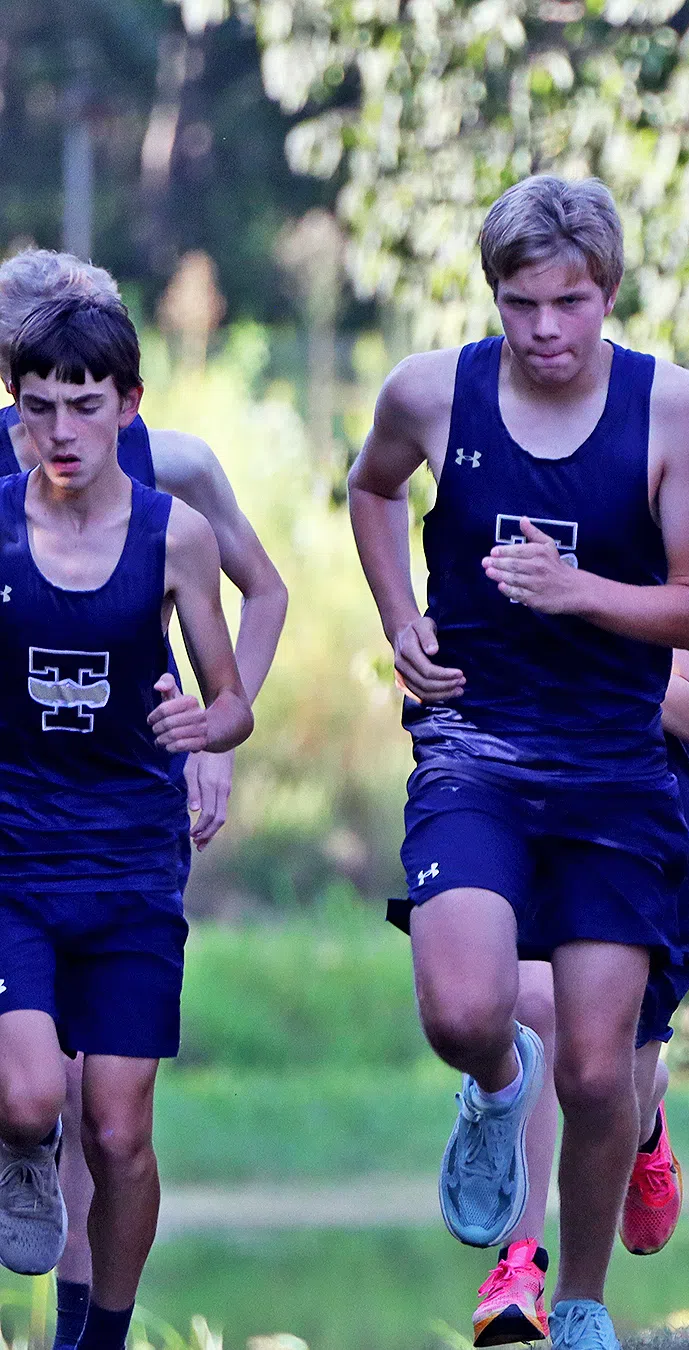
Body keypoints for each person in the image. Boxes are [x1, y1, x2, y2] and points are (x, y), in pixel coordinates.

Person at [349, 176, 689, 1349]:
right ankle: (493, 1090)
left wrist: (580, 594)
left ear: (607, 293)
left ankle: (581, 1302)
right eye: (522, 305)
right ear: (494, 297)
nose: (547, 329)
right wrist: (398, 613)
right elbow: (369, 491)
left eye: (570, 302)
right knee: (468, 1011)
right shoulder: (429, 394)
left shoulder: (672, 412)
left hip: (615, 767)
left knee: (604, 1070)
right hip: (475, 746)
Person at [0, 248, 291, 1346]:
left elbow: (254, 611)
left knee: (111, 1124)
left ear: (126, 390)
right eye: (36, 397)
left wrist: (215, 734)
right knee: (36, 1098)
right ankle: (17, 1151)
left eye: (88, 395)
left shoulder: (174, 495)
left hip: (127, 845)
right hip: (17, 842)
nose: (62, 423)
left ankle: (94, 1334)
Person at [469, 645, 689, 1345]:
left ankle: (645, 1113)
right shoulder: (493, 563)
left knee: (602, 1072)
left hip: (642, 822)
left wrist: (595, 645)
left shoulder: (635, 571)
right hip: (526, 802)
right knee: (535, 1013)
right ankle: (520, 1265)